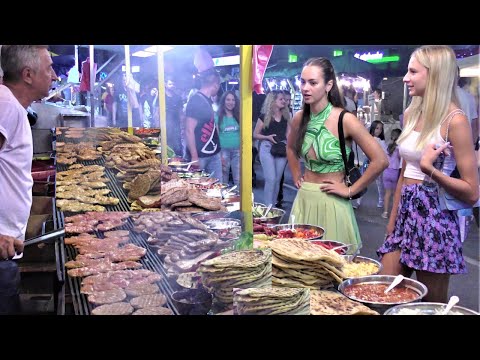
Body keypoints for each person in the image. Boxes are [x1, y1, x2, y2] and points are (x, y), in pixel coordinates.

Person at [377, 45, 479, 303]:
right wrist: (392, 222)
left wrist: (431, 170)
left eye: (413, 71)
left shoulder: (455, 120)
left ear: (434, 75)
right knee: (385, 294)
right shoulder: (411, 113)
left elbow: (472, 190)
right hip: (404, 214)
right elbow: (402, 173)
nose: (406, 78)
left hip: (435, 218)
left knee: (430, 305)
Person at [287, 57, 388, 252]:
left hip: (333, 202)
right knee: (300, 267)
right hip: (305, 199)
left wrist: (350, 190)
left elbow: (380, 160)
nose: (305, 88)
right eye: (302, 81)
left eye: (313, 82)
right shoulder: (299, 118)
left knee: (334, 270)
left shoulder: (345, 119)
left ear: (328, 85)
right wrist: (295, 175)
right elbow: (290, 148)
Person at [0, 45, 57, 314]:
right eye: (49, 68)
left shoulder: (12, 106)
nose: (55, 76)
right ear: (28, 74)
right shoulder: (6, 106)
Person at [254, 90, 291, 207]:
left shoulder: (287, 115)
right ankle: (268, 207)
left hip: (281, 148)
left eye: (284, 99)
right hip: (267, 146)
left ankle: (273, 206)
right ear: (273, 100)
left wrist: (291, 149)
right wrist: (267, 137)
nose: (284, 101)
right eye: (281, 99)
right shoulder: (264, 116)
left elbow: (289, 134)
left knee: (277, 179)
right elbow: (255, 134)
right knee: (270, 178)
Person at [185, 68, 222, 177]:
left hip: (214, 153)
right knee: (198, 189)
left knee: (216, 187)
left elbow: (213, 126)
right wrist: (194, 157)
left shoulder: (208, 101)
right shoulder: (196, 101)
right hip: (200, 156)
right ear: (215, 85)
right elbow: (189, 130)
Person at [215, 90, 240, 186]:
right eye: (228, 100)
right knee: (223, 179)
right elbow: (216, 137)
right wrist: (219, 154)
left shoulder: (238, 115)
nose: (231, 102)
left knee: (238, 179)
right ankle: (225, 200)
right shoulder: (218, 116)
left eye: (233, 100)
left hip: (237, 151)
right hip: (223, 150)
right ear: (223, 101)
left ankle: (238, 200)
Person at [276, 90, 294, 207]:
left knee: (280, 174)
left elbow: (290, 131)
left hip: (284, 146)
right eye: (284, 99)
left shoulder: (289, 112)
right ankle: (277, 196)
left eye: (287, 100)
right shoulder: (273, 113)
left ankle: (279, 195)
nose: (286, 102)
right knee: (276, 176)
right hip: (274, 147)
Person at [381, 128, 402, 219]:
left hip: (386, 171)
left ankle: (385, 212)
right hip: (395, 172)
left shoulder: (388, 147)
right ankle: (394, 214)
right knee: (395, 194)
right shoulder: (399, 148)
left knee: (387, 193)